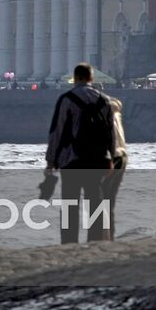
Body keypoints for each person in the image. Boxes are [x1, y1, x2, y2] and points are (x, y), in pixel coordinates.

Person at [45, 63, 117, 244]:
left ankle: (69, 242)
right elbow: (111, 133)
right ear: (92, 78)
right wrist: (111, 159)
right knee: (96, 200)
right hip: (98, 160)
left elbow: (57, 131)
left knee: (70, 203)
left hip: (72, 160)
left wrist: (51, 160)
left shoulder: (66, 100)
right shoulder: (105, 100)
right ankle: (95, 240)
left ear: (75, 78)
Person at [96, 93, 129, 241]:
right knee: (109, 200)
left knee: (99, 199)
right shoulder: (115, 112)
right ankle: (110, 237)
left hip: (109, 157)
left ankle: (103, 236)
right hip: (122, 157)